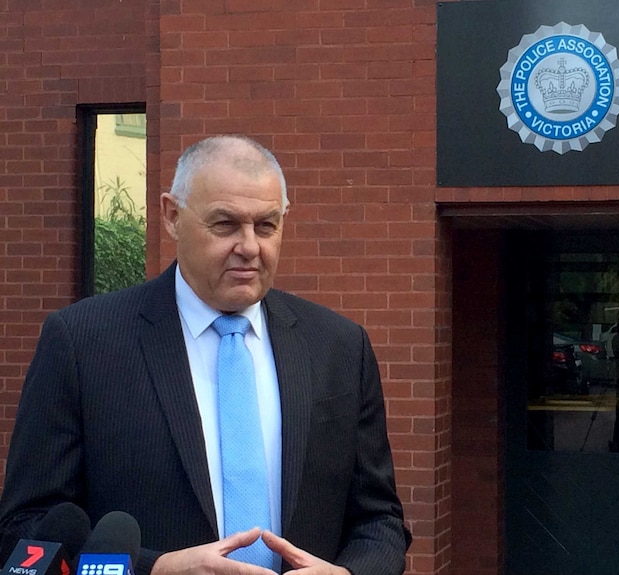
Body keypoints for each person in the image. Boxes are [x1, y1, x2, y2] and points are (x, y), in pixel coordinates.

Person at [0, 135, 411, 575]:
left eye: (267, 225)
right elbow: (27, 527)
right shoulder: (82, 342)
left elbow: (380, 521)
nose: (250, 247)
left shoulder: (339, 347)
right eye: (225, 224)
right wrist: (154, 569)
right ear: (172, 216)